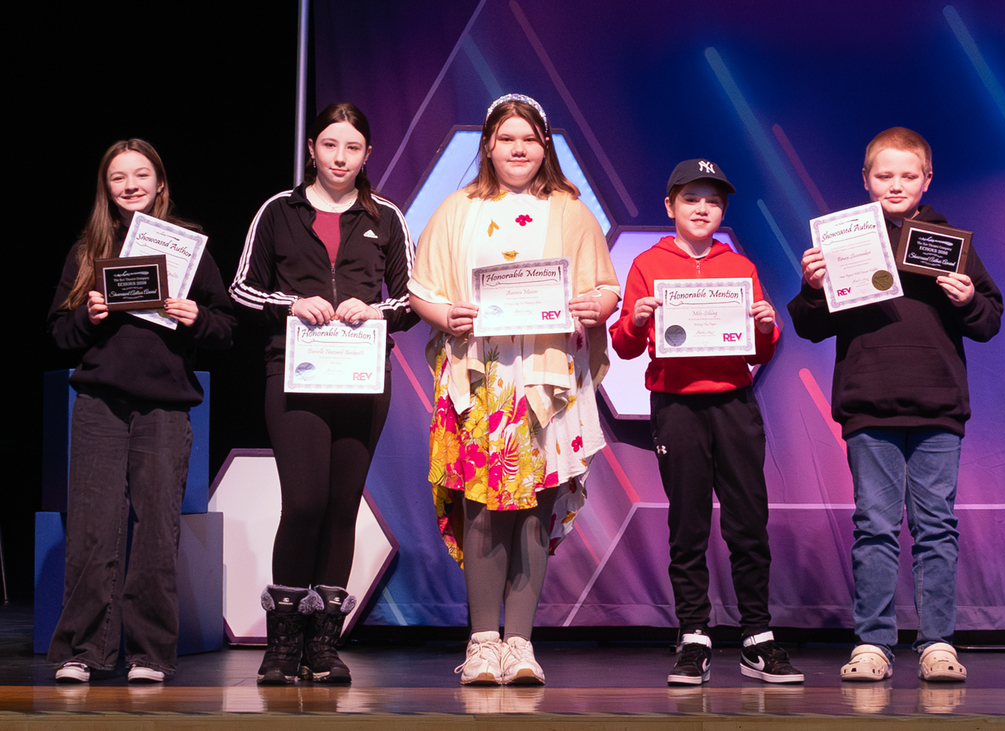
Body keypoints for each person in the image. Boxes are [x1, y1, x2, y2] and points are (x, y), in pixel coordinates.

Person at [409, 94, 619, 685]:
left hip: (549, 381)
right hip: (482, 379)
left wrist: (595, 307)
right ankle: (482, 643)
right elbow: (422, 289)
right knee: (481, 505)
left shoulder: (570, 211)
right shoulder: (457, 210)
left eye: (529, 138)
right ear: (488, 146)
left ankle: (521, 644)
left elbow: (605, 288)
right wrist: (445, 315)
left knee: (534, 507)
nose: (518, 148)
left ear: (544, 146)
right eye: (507, 138)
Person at [787, 128, 1002, 682]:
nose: (896, 185)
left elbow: (989, 321)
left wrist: (968, 299)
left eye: (908, 175)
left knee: (936, 527)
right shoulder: (844, 241)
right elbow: (809, 326)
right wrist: (812, 286)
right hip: (869, 405)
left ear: (927, 179)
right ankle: (873, 644)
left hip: (938, 407)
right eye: (885, 175)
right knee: (875, 527)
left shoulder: (949, 241)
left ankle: (937, 644)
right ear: (866, 180)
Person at [230, 102, 417, 685]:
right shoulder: (278, 211)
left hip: (362, 377)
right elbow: (242, 289)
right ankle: (283, 645)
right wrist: (292, 303)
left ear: (367, 155)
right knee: (305, 503)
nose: (340, 158)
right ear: (312, 148)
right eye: (330, 145)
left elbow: (411, 299)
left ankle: (323, 646)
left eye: (352, 148)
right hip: (295, 373)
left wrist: (376, 310)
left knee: (342, 508)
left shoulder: (386, 216)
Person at [47, 139, 235, 683]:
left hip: (165, 408)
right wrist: (88, 317)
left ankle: (149, 654)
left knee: (156, 531)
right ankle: (84, 650)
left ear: (159, 182)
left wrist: (196, 317)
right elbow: (59, 333)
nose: (131, 185)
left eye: (141, 174)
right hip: (99, 405)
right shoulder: (89, 251)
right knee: (91, 531)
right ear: (106, 188)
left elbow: (226, 328)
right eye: (118, 177)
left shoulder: (187, 247)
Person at [609, 159, 803, 686]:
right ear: (669, 206)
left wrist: (767, 327)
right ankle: (694, 634)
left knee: (748, 520)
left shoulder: (738, 265)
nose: (702, 209)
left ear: (723, 211)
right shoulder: (648, 263)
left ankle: (757, 636)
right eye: (691, 199)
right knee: (687, 522)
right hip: (675, 405)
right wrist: (636, 320)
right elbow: (624, 347)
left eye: (713, 201)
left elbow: (758, 349)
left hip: (734, 402)